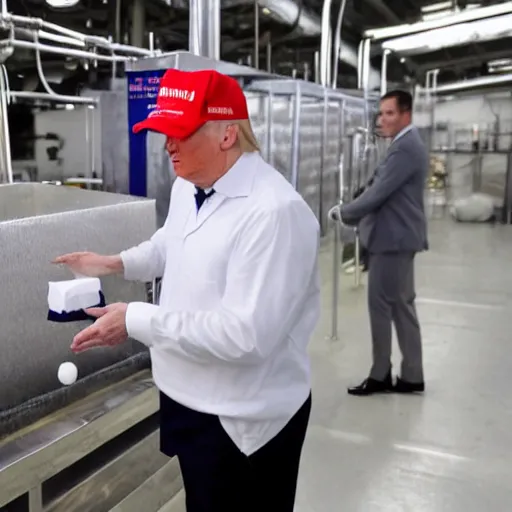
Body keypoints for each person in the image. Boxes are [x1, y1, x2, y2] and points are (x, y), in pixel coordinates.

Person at [53, 68, 320, 512]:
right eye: (165, 131)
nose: (168, 144)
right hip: (188, 398)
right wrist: (115, 262)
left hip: (243, 423)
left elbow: (245, 336)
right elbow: (171, 241)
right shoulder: (189, 185)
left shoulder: (274, 214)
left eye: (181, 131)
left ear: (227, 134)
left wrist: (136, 319)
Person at [338, 89, 428, 397]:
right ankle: (413, 374)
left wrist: (344, 213)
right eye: (382, 113)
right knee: (402, 305)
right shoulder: (405, 144)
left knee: (381, 306)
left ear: (406, 114)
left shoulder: (405, 147)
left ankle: (380, 374)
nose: (383, 119)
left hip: (393, 238)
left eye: (390, 113)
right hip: (401, 236)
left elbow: (380, 192)